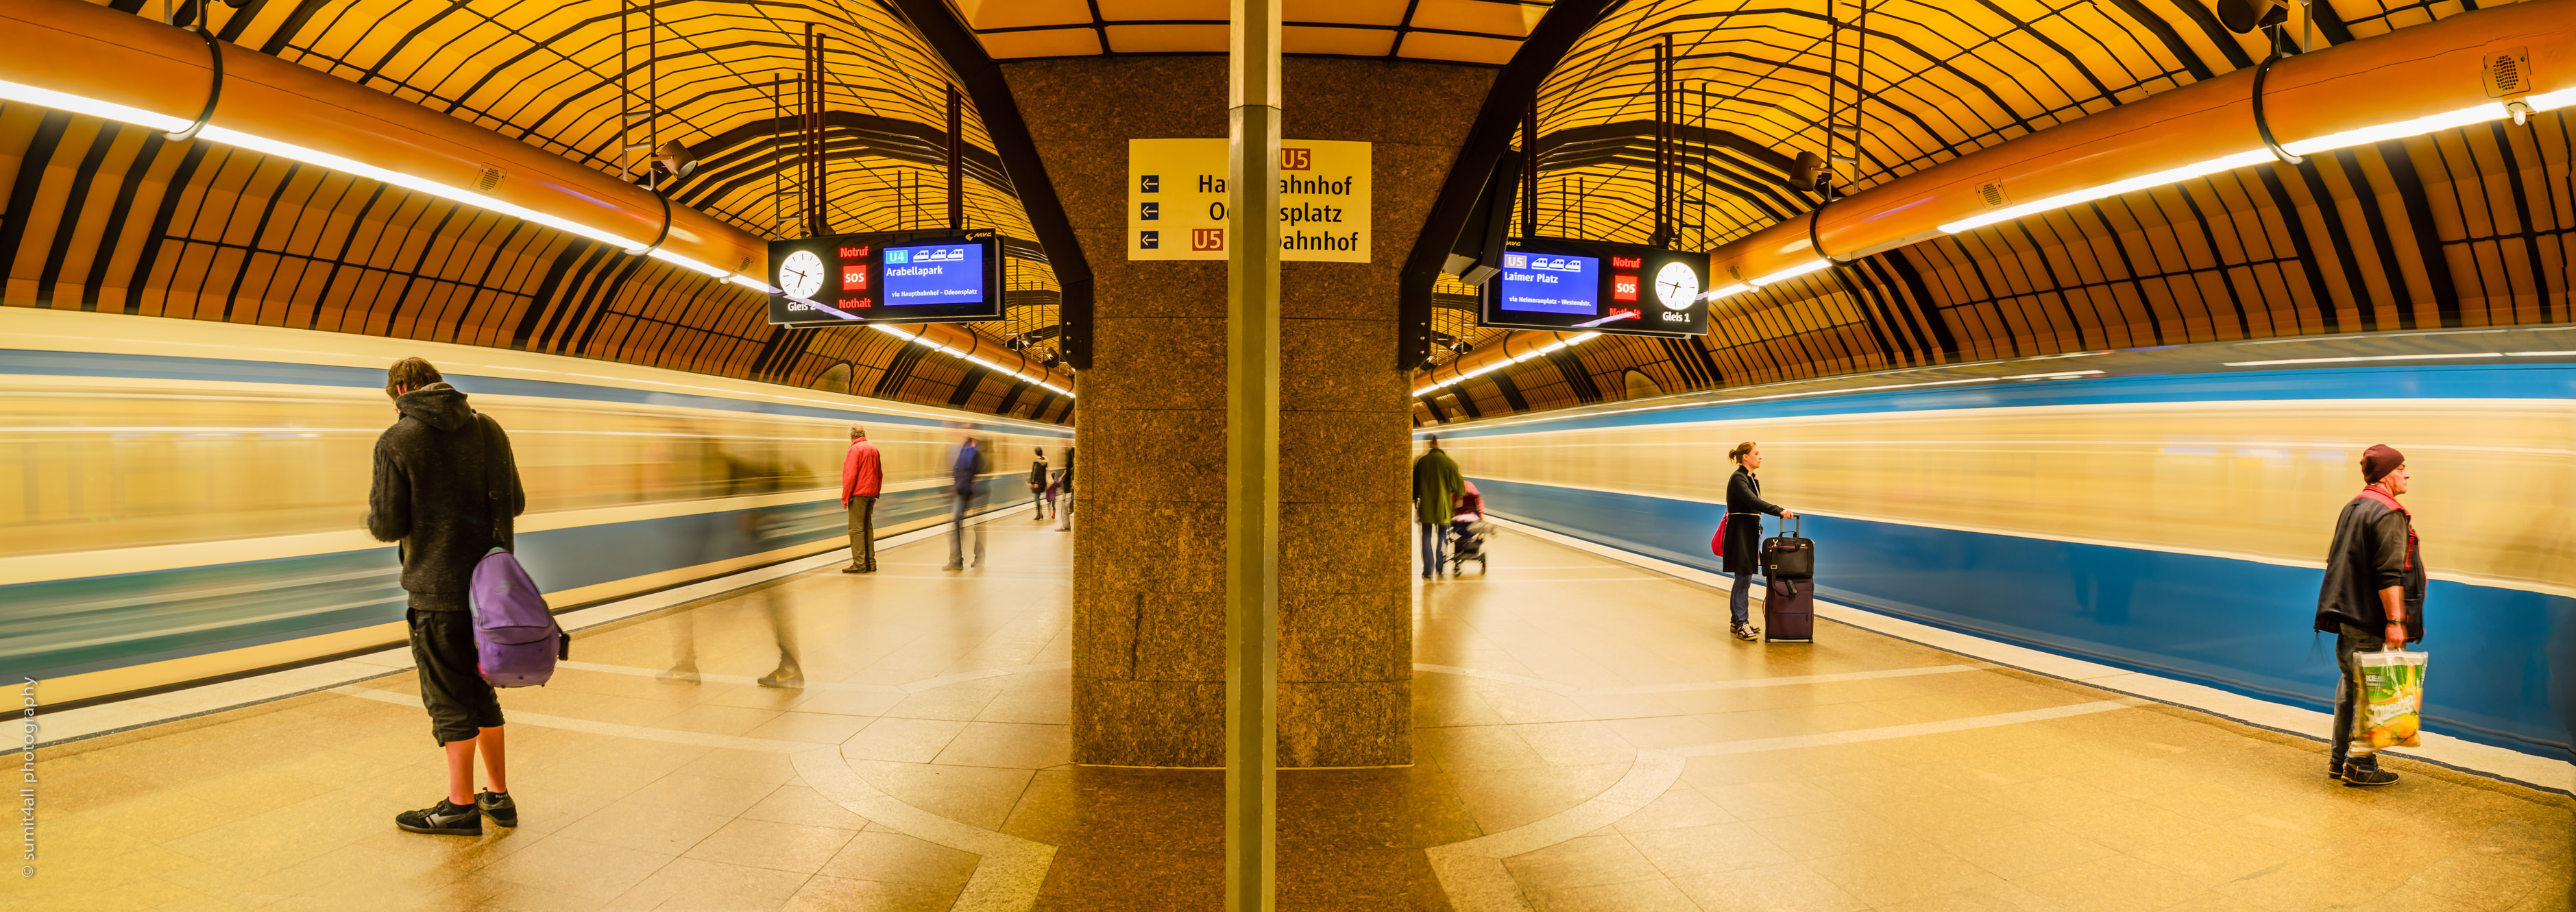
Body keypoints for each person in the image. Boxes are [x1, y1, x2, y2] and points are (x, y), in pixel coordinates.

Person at [365, 357, 524, 837]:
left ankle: (459, 807)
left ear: (402, 388)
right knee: (481, 692)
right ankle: (498, 796)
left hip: (437, 593)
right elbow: (513, 502)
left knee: (449, 700)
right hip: (492, 591)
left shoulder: (397, 439)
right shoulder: (489, 428)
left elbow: (387, 524)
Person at [2314, 444, 2422, 787]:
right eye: (2402, 467)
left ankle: (2339, 760)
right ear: (2386, 473)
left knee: (2351, 686)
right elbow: (2388, 574)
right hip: (2371, 621)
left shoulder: (2355, 506)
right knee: (2371, 692)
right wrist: (2395, 622)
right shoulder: (2388, 512)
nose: (2407, 474)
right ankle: (2361, 765)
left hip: (2350, 617)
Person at [1721, 442, 1795, 643]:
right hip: (1740, 534)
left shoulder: (1751, 479)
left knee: (1744, 578)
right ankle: (1741, 622)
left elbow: (1754, 504)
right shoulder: (1738, 479)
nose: (1760, 456)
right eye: (1756, 453)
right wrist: (1779, 510)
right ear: (1745, 457)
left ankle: (1737, 621)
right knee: (1743, 578)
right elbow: (1753, 502)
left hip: (1749, 532)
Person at [1413, 435, 1464, 579]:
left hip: (1426, 507)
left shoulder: (1422, 462)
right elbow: (1461, 487)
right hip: (1444, 508)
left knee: (1426, 536)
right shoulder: (1449, 463)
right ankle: (1440, 567)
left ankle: (1428, 570)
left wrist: (1415, 498)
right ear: (1439, 445)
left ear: (1429, 445)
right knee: (1443, 536)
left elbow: (1414, 485)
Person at [945, 431, 989, 570]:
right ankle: (956, 561)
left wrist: (974, 485)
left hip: (978, 493)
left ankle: (979, 559)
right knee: (956, 524)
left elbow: (984, 472)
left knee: (978, 526)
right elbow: (957, 469)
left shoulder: (983, 450)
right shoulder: (963, 450)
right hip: (963, 492)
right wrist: (957, 485)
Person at [841, 424, 882, 574]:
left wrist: (845, 497)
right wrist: (876, 493)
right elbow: (879, 473)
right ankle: (870, 563)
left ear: (852, 436)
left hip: (858, 494)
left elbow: (850, 476)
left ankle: (859, 564)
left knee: (856, 529)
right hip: (870, 493)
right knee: (867, 528)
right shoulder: (873, 448)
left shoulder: (854, 449)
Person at [1028, 447, 1052, 520]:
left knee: (1036, 498)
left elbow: (1035, 473)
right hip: (1043, 482)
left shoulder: (1037, 463)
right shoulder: (1045, 461)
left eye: (1034, 452)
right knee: (1042, 497)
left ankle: (1039, 514)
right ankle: (1042, 514)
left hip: (1037, 483)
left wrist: (1033, 482)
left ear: (1036, 453)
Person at [1056, 446, 1076, 531]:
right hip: (1071, 489)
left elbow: (1068, 475)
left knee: (1064, 507)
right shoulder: (1075, 464)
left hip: (1069, 489)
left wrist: (1066, 490)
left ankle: (1066, 525)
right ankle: (1066, 525)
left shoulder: (1071, 464)